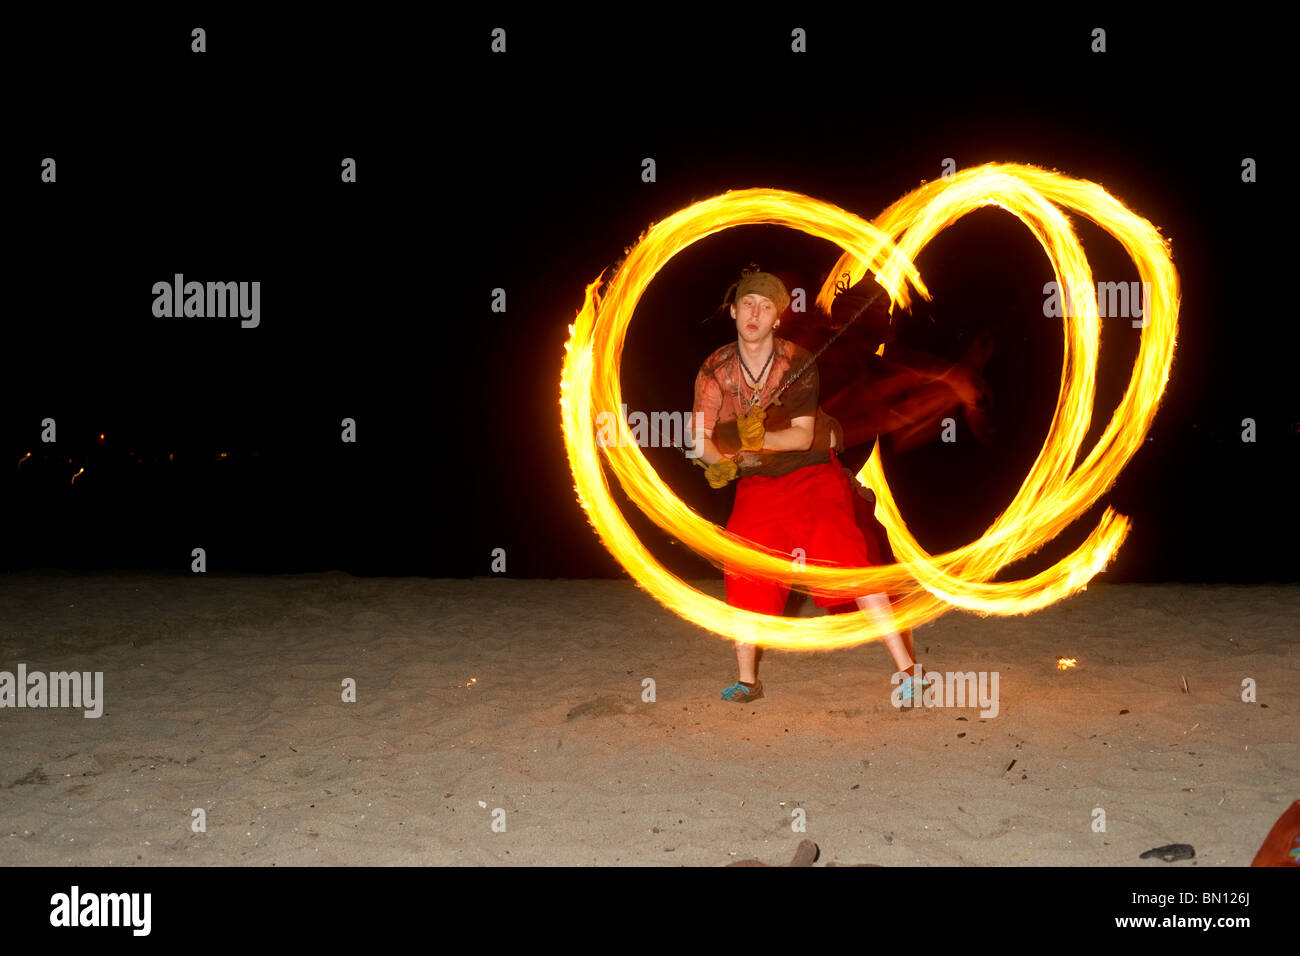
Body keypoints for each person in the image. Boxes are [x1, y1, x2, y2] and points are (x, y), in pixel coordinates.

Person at [691, 267, 927, 704]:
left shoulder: (797, 362)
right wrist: (721, 463)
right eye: (747, 304)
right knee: (744, 572)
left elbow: (801, 436)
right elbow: (700, 436)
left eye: (765, 307)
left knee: (851, 564)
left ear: (777, 317)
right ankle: (748, 682)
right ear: (733, 311)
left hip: (813, 475)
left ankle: (909, 670)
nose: (755, 313)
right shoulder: (715, 369)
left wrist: (751, 440)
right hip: (759, 483)